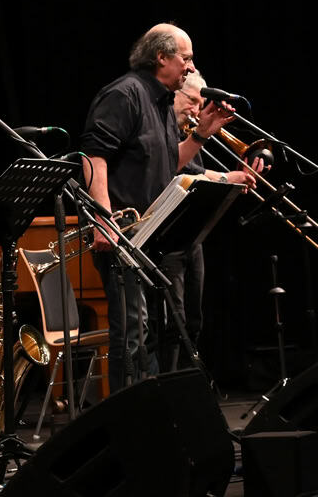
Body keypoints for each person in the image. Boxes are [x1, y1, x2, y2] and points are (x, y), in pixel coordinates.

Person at [79, 23, 235, 391]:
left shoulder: (163, 102)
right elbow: (93, 156)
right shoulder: (125, 94)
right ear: (161, 57)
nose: (191, 67)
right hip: (123, 235)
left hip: (153, 236)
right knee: (133, 334)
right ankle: (126, 415)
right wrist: (103, 219)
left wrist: (201, 134)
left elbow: (167, 162)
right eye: (186, 58)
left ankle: (152, 410)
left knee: (154, 333)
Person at [161, 70, 262, 370]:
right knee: (174, 321)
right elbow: (178, 174)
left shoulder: (186, 133)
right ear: (174, 95)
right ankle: (168, 384)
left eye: (199, 103)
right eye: (192, 101)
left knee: (194, 319)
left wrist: (234, 177)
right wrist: (227, 177)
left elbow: (196, 172)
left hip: (193, 236)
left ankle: (188, 381)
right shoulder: (165, 128)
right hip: (168, 235)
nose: (196, 110)